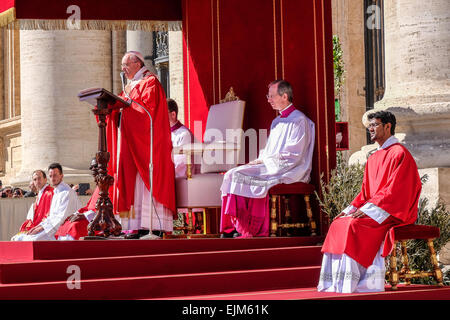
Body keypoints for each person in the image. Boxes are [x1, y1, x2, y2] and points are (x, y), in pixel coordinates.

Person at [317, 111, 422, 293]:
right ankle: (337, 283)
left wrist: (370, 210)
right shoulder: (373, 157)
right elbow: (365, 192)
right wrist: (350, 209)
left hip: (393, 211)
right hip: (376, 208)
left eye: (375, 125)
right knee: (339, 223)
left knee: (354, 226)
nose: (370, 129)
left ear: (388, 127)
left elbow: (396, 191)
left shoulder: (399, 153)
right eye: (369, 126)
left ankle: (362, 283)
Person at [220, 80, 315, 238]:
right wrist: (260, 159)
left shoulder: (299, 120)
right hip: (271, 165)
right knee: (232, 174)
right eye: (268, 96)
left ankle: (252, 229)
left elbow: (294, 154)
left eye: (271, 96)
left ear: (284, 96)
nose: (268, 99)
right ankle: (235, 227)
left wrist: (265, 161)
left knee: (249, 178)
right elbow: (269, 150)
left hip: (291, 169)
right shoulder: (276, 121)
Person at [106, 51, 176, 239]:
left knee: (145, 184)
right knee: (131, 183)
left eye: (125, 65)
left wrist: (126, 109)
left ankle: (151, 226)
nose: (123, 69)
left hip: (148, 145)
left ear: (137, 64)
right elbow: (125, 106)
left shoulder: (150, 83)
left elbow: (147, 113)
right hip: (130, 143)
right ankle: (133, 226)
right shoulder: (131, 86)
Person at [12, 163, 82, 241]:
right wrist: (39, 226)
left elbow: (60, 218)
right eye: (51, 176)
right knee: (20, 238)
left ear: (61, 176)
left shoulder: (66, 192)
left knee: (30, 240)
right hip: (54, 227)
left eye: (55, 175)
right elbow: (52, 216)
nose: (52, 178)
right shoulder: (57, 191)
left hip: (65, 231)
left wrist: (42, 228)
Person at [11, 170, 54, 240]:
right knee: (16, 238)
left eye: (39, 178)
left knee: (22, 239)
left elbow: (50, 215)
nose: (37, 181)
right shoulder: (41, 193)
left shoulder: (50, 193)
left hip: (47, 228)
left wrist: (39, 227)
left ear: (45, 179)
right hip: (38, 227)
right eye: (35, 179)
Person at [168, 98, 197, 178]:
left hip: (182, 178)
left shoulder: (184, 134)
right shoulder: (165, 132)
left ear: (173, 114)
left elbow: (181, 164)